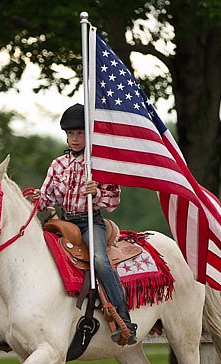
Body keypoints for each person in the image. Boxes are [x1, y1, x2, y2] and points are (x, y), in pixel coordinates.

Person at [29, 103, 138, 345]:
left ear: (89, 134)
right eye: (70, 134)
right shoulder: (58, 164)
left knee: (99, 259)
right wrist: (39, 199)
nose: (75, 139)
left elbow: (112, 202)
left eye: (79, 133)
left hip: (90, 222)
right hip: (63, 221)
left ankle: (124, 317)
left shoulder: (99, 163)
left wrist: (96, 192)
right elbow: (50, 198)